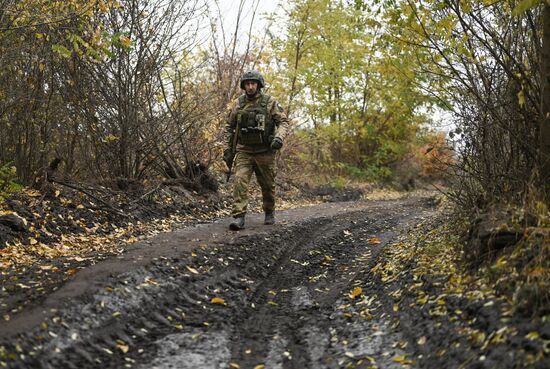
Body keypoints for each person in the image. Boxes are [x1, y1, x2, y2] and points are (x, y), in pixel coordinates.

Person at [223, 70, 290, 230]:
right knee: (240, 181)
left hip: (265, 151)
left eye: (253, 83)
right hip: (244, 150)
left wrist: (279, 138)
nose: (250, 86)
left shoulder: (269, 102)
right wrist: (227, 148)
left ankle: (269, 211)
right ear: (244, 86)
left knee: (267, 185)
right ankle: (239, 217)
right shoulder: (238, 104)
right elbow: (229, 127)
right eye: (247, 84)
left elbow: (283, 122)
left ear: (259, 85)